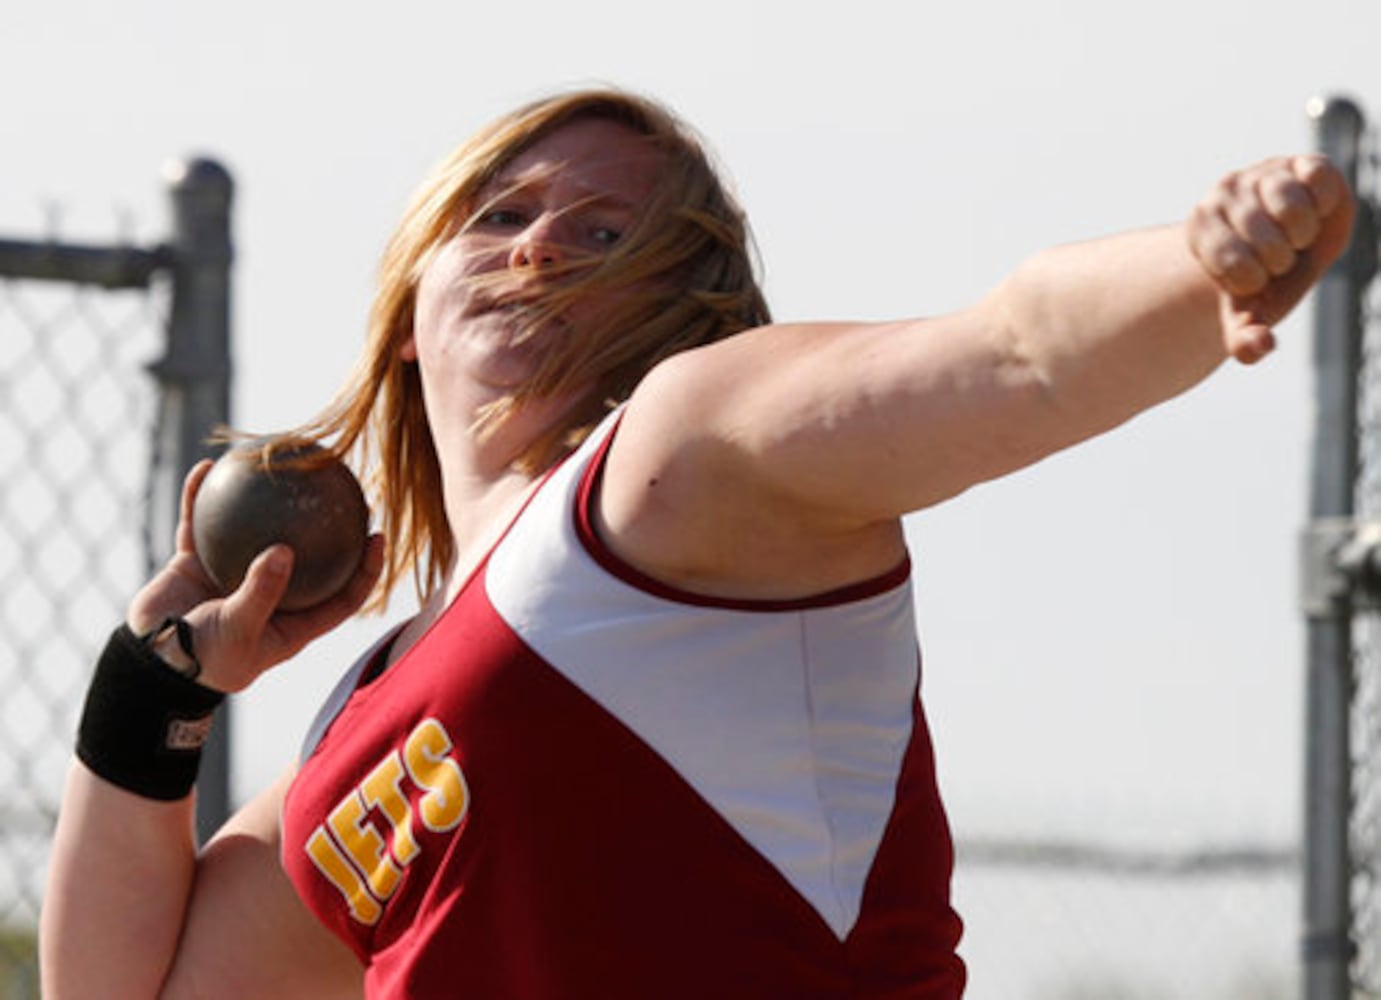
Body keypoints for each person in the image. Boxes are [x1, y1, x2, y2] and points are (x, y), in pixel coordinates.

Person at [40, 87, 1354, 1000]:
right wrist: (155, 682)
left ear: (683, 312)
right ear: (408, 309)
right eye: (497, 217)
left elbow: (1007, 352)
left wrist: (1201, 266)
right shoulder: (378, 722)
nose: (540, 244)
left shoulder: (680, 460)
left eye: (603, 233)